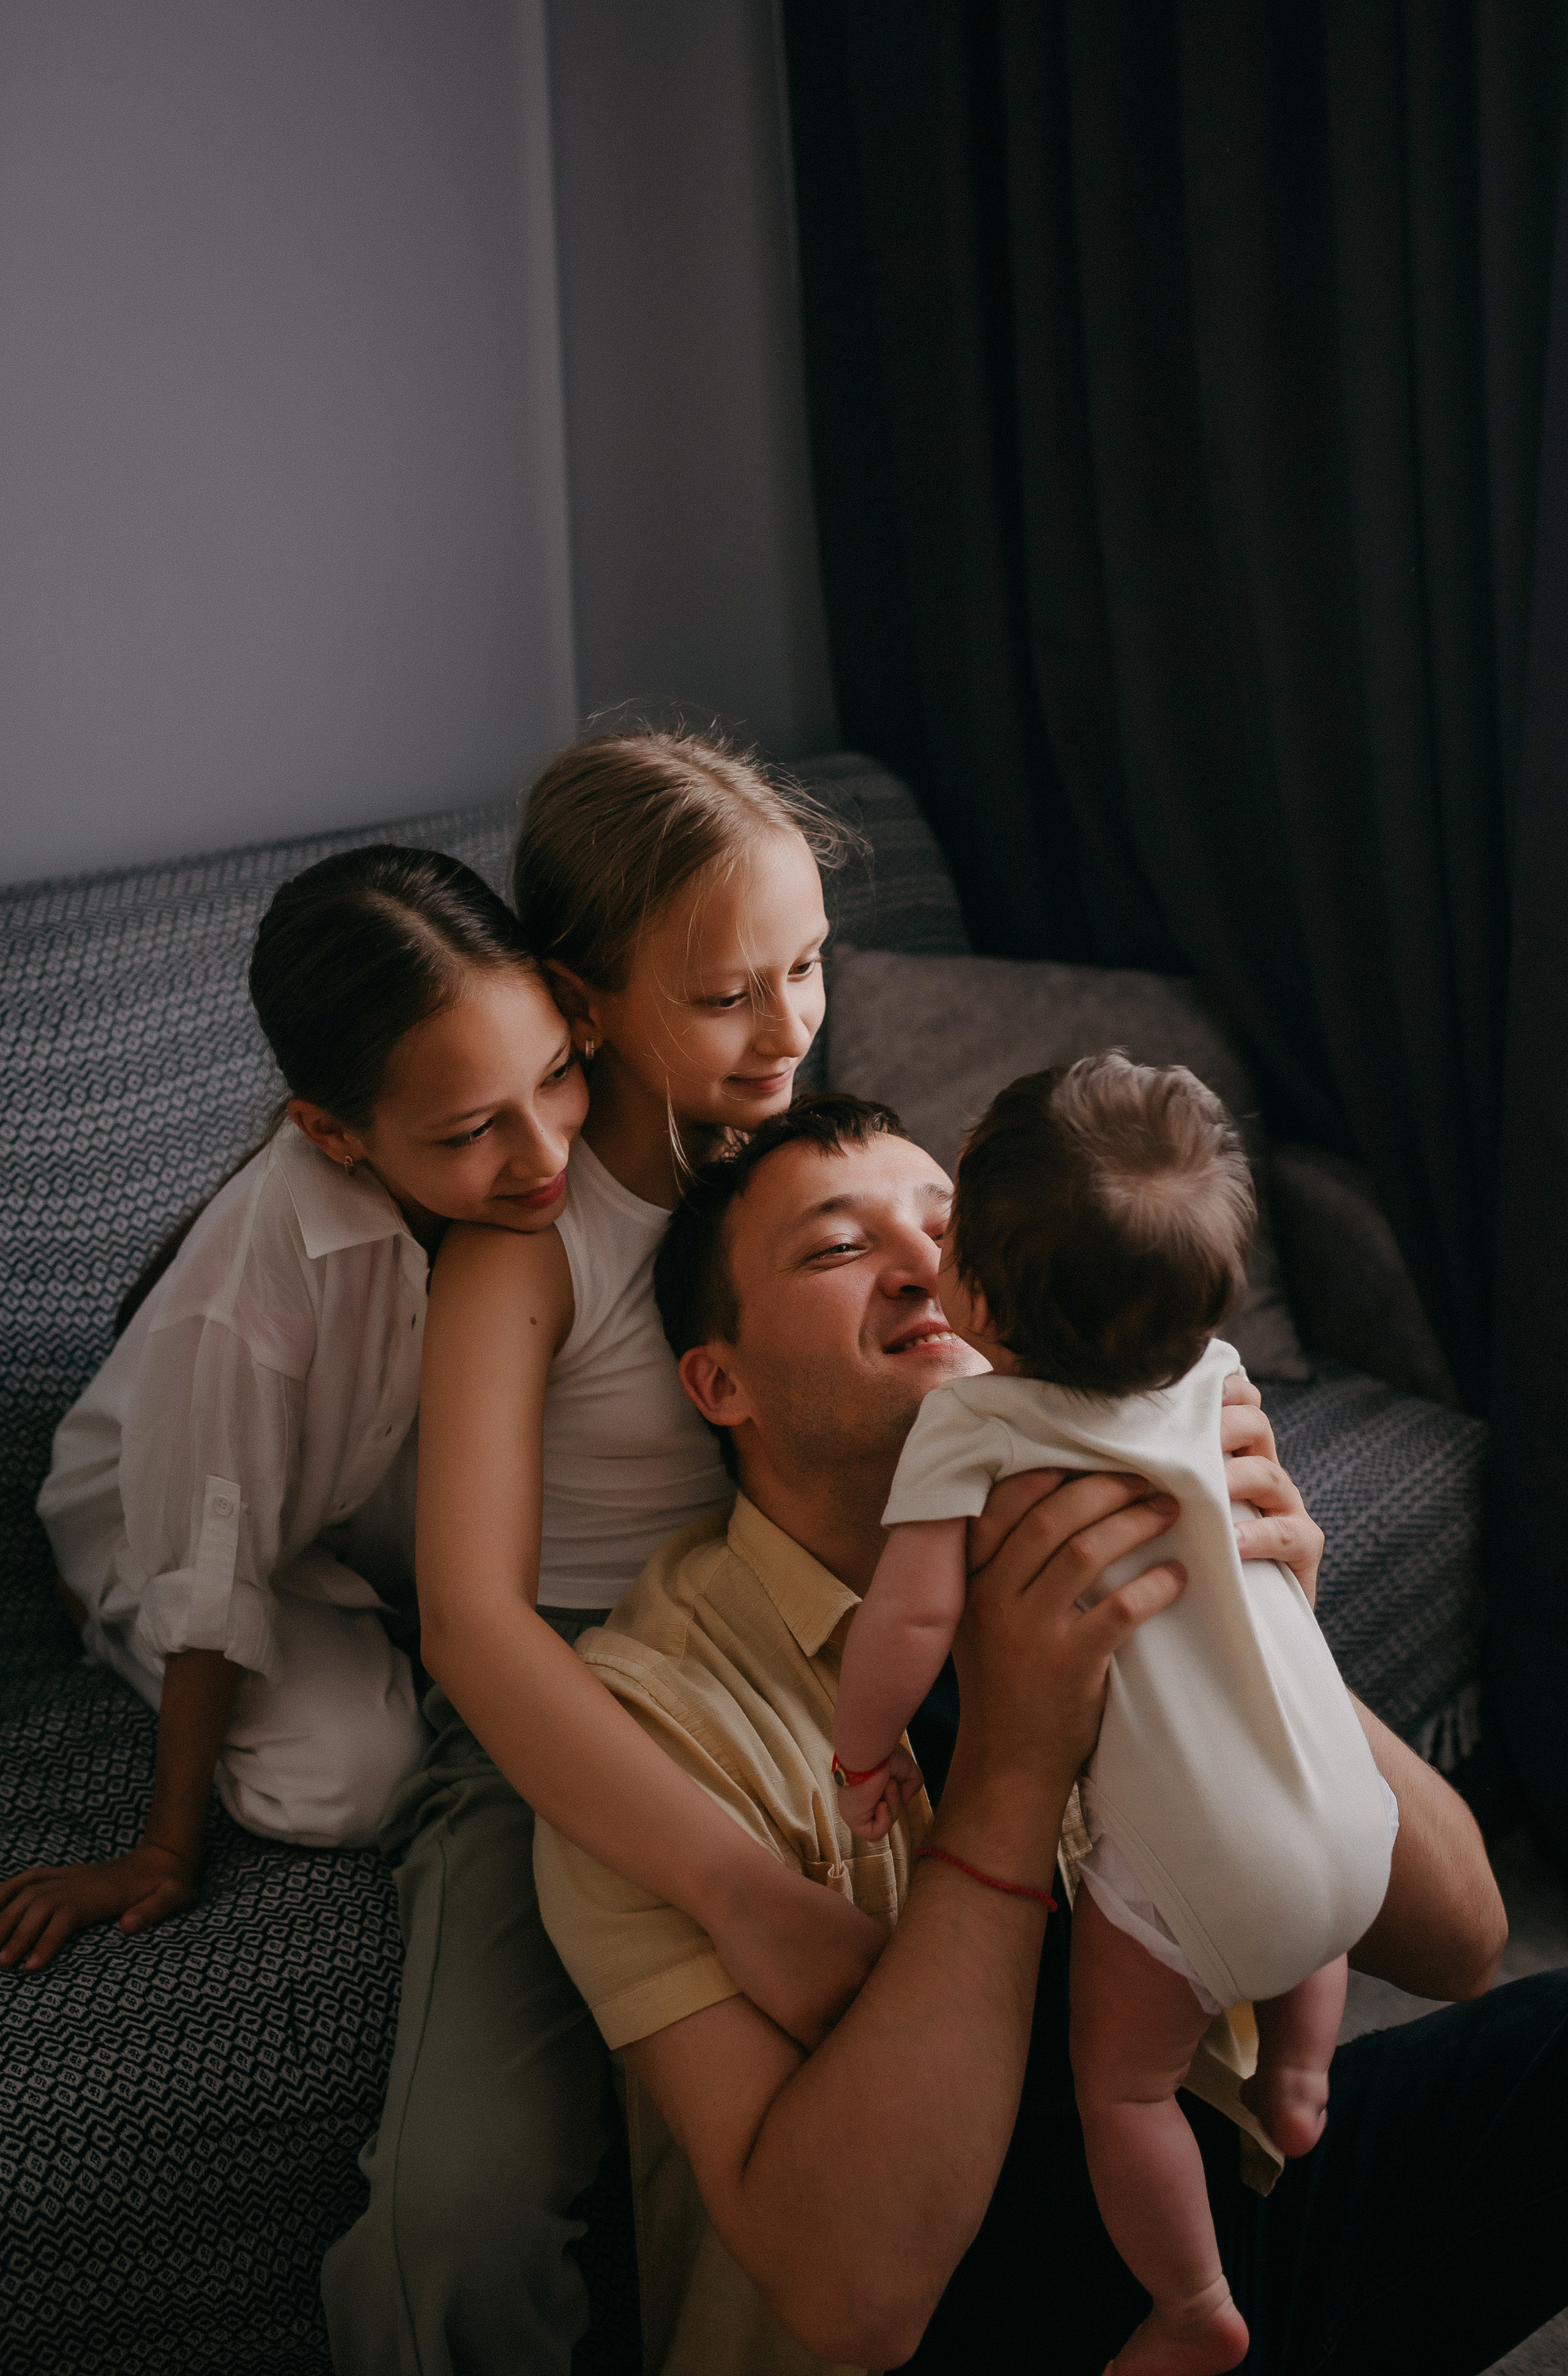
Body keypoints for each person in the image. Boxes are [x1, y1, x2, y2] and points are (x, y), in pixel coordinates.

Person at [532, 1095, 1554, 2376]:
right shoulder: (647, 1717)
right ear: (717, 1378)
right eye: (837, 1246)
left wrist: (1263, 1623)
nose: (923, 1268)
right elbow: (850, 2299)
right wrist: (1012, 1761)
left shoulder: (1123, 1501)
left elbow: (1460, 1938)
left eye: (947, 1226)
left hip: (1228, 2208)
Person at [322, 730, 884, 2376]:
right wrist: (732, 1885)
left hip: (786, 1663)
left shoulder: (812, 1168)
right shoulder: (531, 1246)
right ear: (582, 1001)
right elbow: (473, 1627)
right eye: (727, 997)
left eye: (810, 967)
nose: (788, 1027)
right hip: (558, 1696)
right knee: (463, 2217)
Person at [830, 1056, 1397, 2375]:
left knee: (1122, 2084)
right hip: (1346, 1822)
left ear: (975, 1290)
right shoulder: (1211, 1377)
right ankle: (1303, 2073)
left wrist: (863, 1748)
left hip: (1203, 1881)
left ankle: (1192, 2301)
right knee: (1298, 1897)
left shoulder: (972, 1425)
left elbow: (910, 1623)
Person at [3, 845, 588, 1974]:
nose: (546, 1149)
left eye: (556, 1073)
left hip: (359, 1507)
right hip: (177, 1527)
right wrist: (163, 1850)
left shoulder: (541, 1167)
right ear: (333, 1133)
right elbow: (214, 1565)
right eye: (472, 1131)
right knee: (355, 1780)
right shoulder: (253, 1291)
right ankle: (102, 1614)